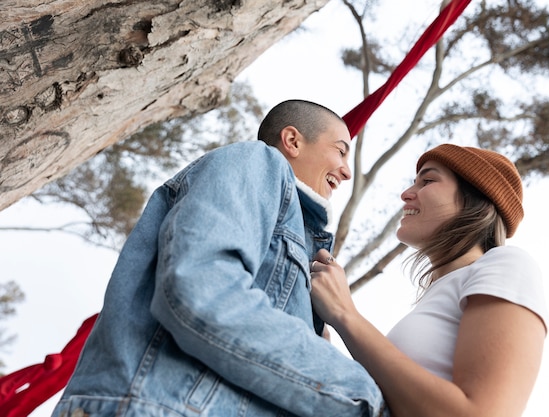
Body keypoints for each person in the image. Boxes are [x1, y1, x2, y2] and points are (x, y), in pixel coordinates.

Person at [52, 100, 388, 417]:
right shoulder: (257, 161)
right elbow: (202, 294)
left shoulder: (292, 229)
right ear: (293, 141)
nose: (346, 172)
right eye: (340, 151)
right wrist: (361, 396)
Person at [309, 144, 548, 417]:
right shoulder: (439, 294)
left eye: (428, 180)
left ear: (476, 199)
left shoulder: (508, 265)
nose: (407, 194)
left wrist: (345, 314)